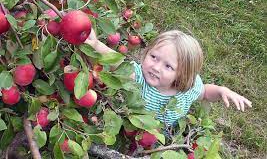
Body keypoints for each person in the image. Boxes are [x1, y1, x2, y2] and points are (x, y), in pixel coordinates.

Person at [84, 29, 252, 126]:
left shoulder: (189, 89)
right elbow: (117, 61)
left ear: (183, 74)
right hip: (132, 131)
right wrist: (95, 44)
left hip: (162, 139)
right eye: (154, 57)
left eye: (168, 66)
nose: (156, 67)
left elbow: (205, 92)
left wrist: (222, 91)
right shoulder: (138, 78)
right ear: (146, 52)